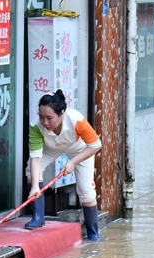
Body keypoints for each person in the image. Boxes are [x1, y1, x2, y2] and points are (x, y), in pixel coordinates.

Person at [26, 90, 103, 241]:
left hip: (80, 149)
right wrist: (35, 186)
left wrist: (73, 162)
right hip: (53, 147)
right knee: (31, 171)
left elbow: (95, 145)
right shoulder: (35, 127)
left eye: (49, 118)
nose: (45, 122)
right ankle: (38, 217)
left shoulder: (76, 120)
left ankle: (93, 234)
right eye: (42, 117)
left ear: (61, 114)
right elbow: (35, 157)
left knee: (85, 191)